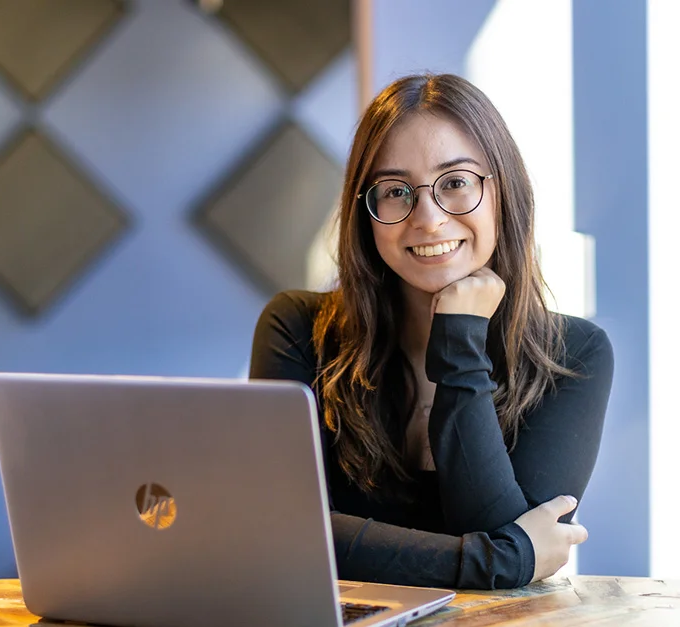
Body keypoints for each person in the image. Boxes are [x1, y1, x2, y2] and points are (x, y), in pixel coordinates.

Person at [249, 74, 614, 590]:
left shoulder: (575, 355)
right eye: (396, 191)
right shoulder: (297, 330)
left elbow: (500, 538)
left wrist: (461, 337)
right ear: (364, 212)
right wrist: (496, 560)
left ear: (503, 191)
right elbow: (277, 531)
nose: (428, 218)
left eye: (456, 182)